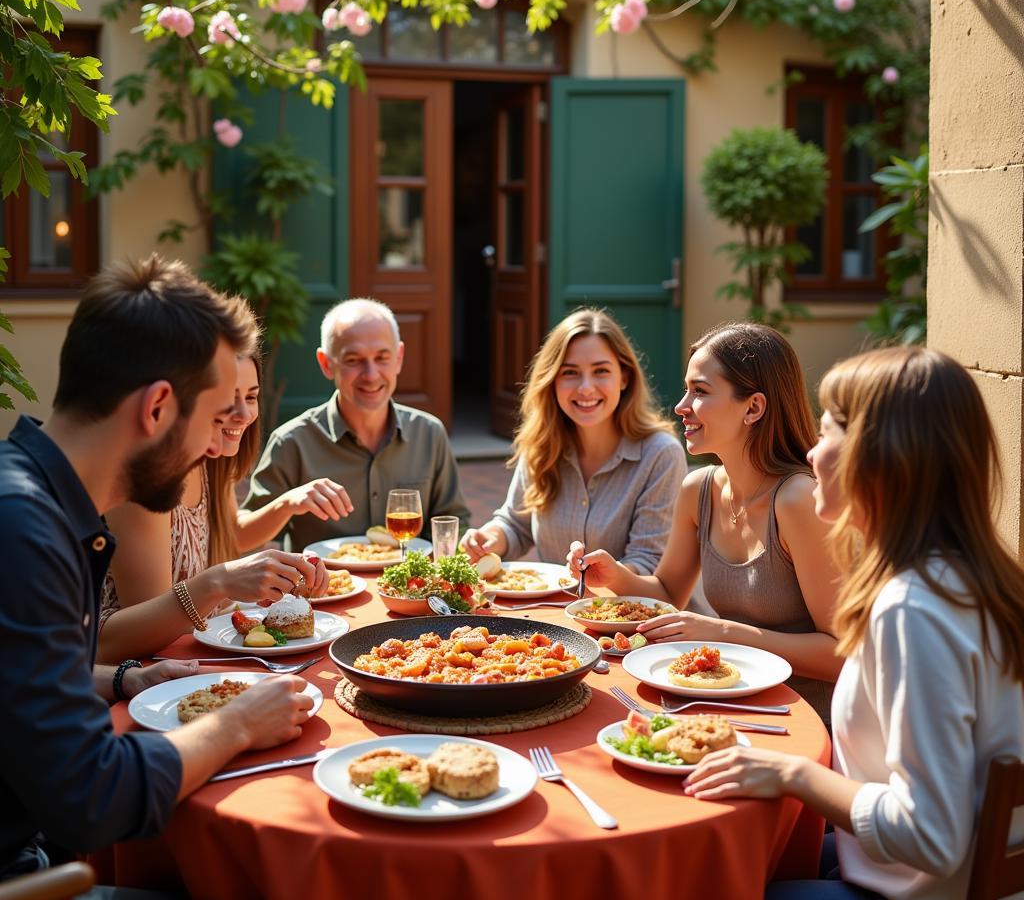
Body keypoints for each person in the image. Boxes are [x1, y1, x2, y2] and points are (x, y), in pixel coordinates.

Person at [0, 257, 315, 900]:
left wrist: (129, 677)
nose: (216, 441)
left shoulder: (41, 502)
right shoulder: (25, 532)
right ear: (157, 408)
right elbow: (95, 798)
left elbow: (18, 681)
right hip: (23, 889)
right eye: (214, 416)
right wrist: (238, 723)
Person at [685, 346, 1024, 900]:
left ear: (889, 457)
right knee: (713, 863)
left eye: (831, 430)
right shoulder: (965, 575)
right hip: (926, 883)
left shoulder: (915, 608)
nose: (812, 454)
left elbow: (930, 838)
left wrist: (795, 775)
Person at [570, 322, 841, 724]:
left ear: (753, 408)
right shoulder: (699, 489)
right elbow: (667, 593)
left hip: (800, 718)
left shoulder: (797, 499)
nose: (681, 406)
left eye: (700, 392)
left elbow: (841, 654)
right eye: (686, 389)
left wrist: (721, 632)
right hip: (719, 705)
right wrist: (615, 576)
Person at [97, 350, 328, 664]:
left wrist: (273, 565)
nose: (244, 413)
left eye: (251, 396)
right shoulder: (147, 479)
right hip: (132, 677)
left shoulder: (211, 461)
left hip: (196, 655)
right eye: (227, 397)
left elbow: (227, 531)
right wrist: (221, 582)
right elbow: (151, 636)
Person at [460, 308, 686, 573]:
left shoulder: (661, 455)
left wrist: (603, 578)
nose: (586, 388)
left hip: (632, 611)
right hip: (552, 612)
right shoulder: (542, 444)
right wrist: (490, 539)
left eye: (601, 371)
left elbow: (649, 562)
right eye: (570, 373)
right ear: (552, 381)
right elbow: (516, 524)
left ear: (624, 378)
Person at [241, 297, 470, 552]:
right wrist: (286, 504)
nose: (371, 375)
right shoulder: (292, 442)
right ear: (327, 364)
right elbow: (241, 538)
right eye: (353, 360)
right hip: (326, 590)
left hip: (408, 589)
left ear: (399, 358)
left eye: (382, 357)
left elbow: (454, 524)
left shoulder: (429, 433)